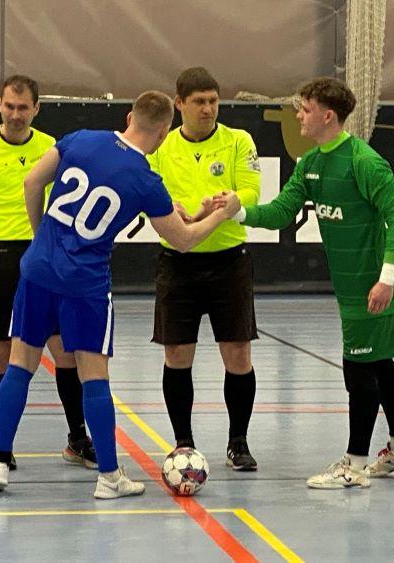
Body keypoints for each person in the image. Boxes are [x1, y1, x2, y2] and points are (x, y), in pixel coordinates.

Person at [0, 90, 240, 498]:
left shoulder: (82, 139)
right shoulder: (145, 180)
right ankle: (109, 477)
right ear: (164, 133)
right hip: (85, 283)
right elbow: (184, 240)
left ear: (129, 117)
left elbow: (32, 182)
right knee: (94, 377)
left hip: (39, 269)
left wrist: (40, 235)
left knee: (19, 365)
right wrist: (223, 214)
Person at [218, 77, 394, 489]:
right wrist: (237, 212)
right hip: (349, 287)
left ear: (328, 116)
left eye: (306, 109)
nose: (298, 115)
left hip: (373, 288)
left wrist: (386, 280)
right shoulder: (311, 163)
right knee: (379, 363)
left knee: (358, 370)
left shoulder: (364, 162)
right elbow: (280, 212)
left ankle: (354, 465)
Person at [0, 74, 96, 470]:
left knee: (65, 350)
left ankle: (77, 439)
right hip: (1, 256)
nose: (15, 115)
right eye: (9, 106)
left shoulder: (52, 148)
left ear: (36, 108)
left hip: (45, 257)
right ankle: (1, 446)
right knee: (1, 350)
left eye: (22, 107)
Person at [147, 67, 261, 471]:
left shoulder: (237, 141)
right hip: (177, 263)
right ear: (179, 104)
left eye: (213, 101)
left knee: (238, 352)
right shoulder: (162, 146)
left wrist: (229, 202)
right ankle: (184, 443)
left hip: (229, 261)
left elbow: (251, 190)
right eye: (199, 102)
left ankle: (238, 441)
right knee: (177, 353)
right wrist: (171, 209)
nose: (208, 109)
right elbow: (147, 192)